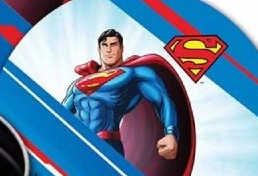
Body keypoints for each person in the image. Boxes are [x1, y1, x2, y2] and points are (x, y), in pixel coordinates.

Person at [63, 29, 179, 160]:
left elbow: (163, 100)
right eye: (104, 45)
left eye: (113, 44)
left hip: (107, 145)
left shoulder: (133, 74)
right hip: (77, 144)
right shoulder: (78, 84)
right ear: (99, 49)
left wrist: (170, 133)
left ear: (121, 48)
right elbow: (61, 113)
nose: (109, 50)